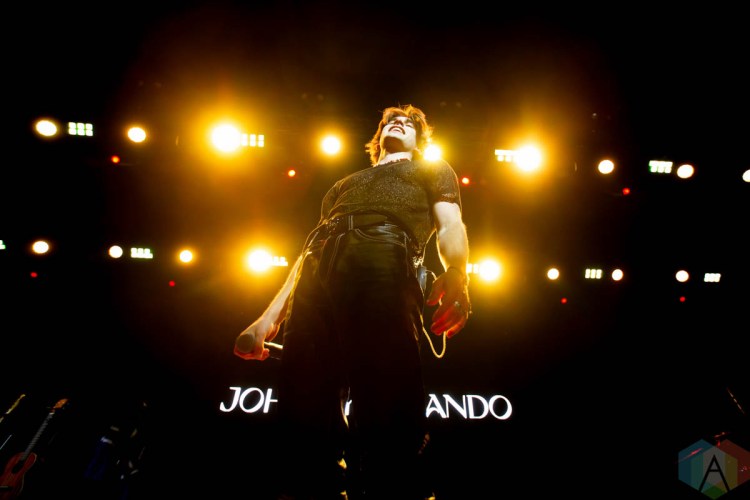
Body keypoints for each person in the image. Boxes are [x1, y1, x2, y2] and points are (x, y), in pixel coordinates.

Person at [234, 104, 471, 500]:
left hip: (384, 248)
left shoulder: (433, 169)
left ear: (419, 139)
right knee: (304, 395)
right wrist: (267, 319)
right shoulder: (343, 184)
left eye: (409, 123)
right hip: (318, 264)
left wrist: (458, 273)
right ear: (377, 137)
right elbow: (307, 251)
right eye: (391, 120)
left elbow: (450, 224)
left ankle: (392, 487)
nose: (399, 123)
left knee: (385, 387)